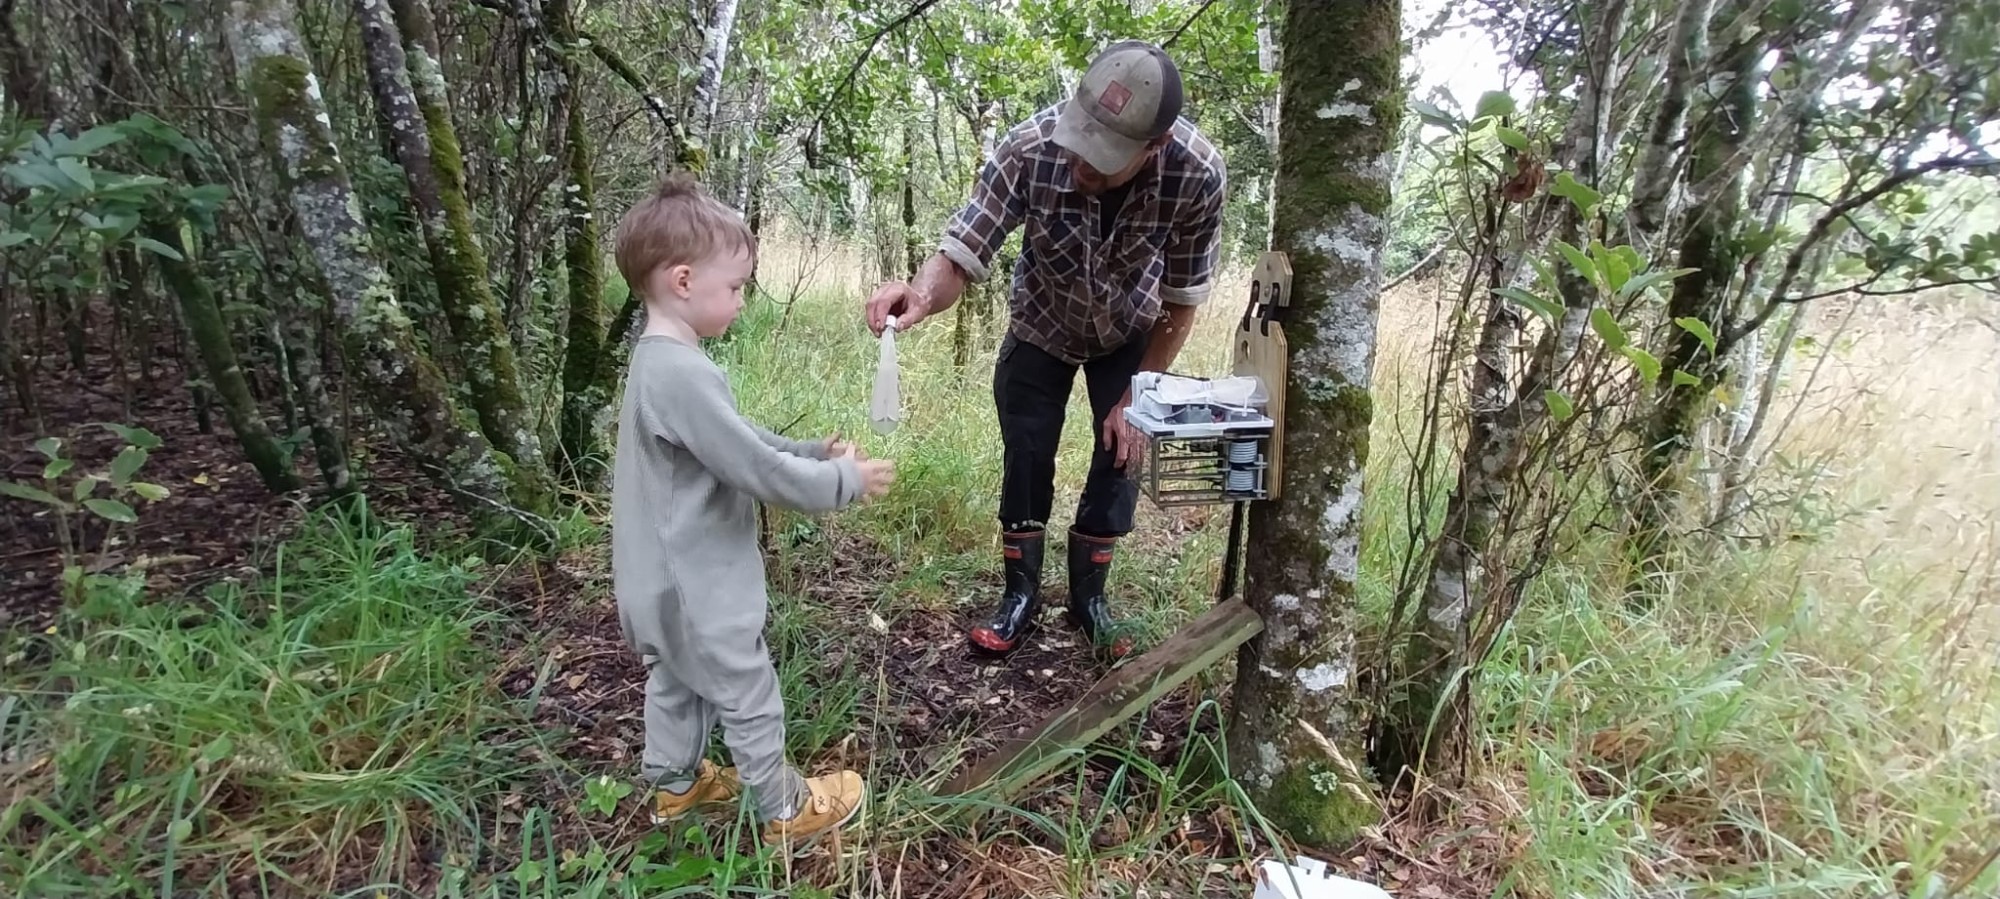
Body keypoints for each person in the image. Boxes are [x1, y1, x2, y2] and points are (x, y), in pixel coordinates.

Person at [864, 39, 1226, 660]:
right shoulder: (1028, 148)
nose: (1083, 161)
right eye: (1081, 138)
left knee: (1122, 451)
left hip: (1132, 329)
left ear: (1154, 147)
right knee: (1027, 452)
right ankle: (1020, 598)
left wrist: (1138, 393)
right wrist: (920, 296)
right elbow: (962, 251)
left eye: (1104, 156)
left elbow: (1182, 301)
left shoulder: (1196, 173)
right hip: (1041, 324)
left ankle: (1090, 602)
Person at [610, 176, 895, 846]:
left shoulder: (660, 362)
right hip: (697, 584)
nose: (741, 299)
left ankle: (677, 787)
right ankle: (785, 807)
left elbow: (731, 441)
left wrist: (804, 448)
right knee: (747, 689)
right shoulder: (681, 373)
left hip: (656, 581)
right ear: (683, 281)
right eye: (734, 286)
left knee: (678, 680)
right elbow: (752, 467)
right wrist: (839, 482)